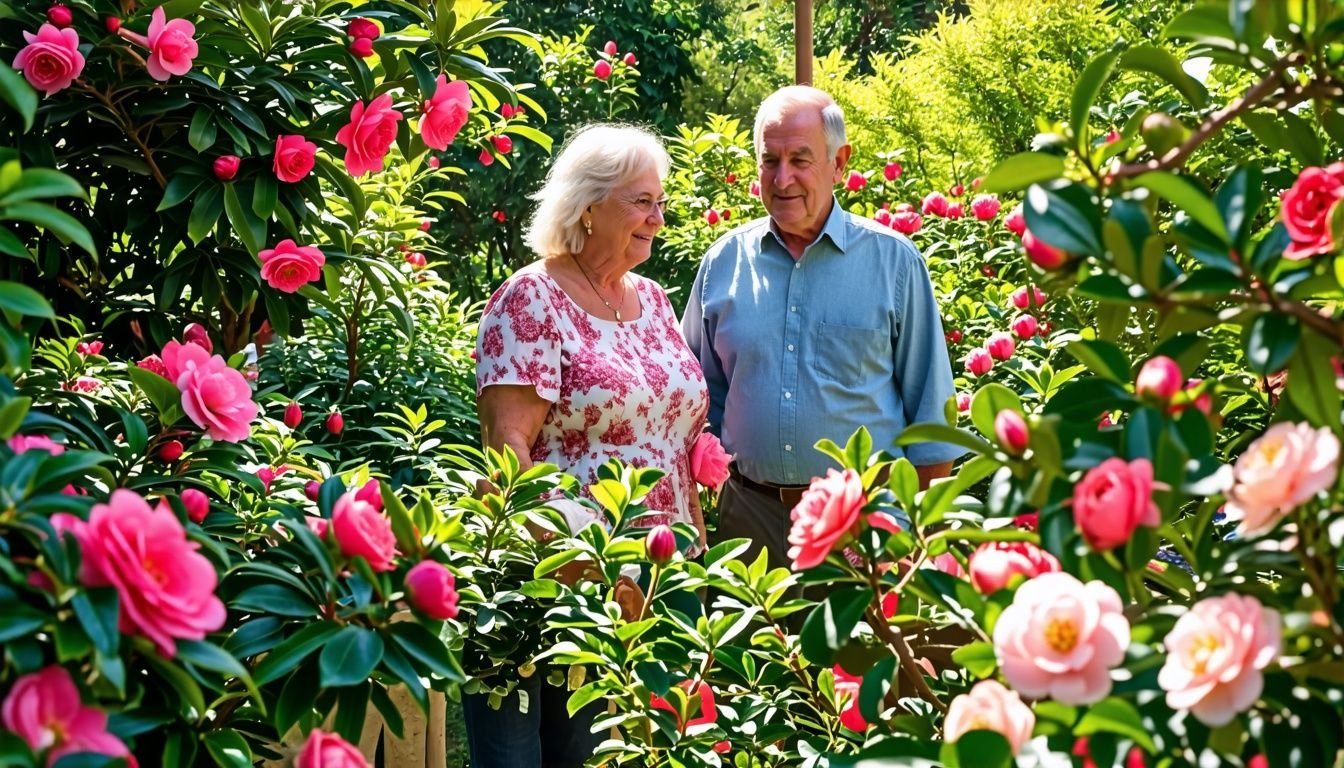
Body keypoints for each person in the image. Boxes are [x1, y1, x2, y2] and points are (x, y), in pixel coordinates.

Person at [472, 123, 709, 768]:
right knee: (586, 752)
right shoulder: (532, 299)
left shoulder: (654, 301)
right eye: (641, 202)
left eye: (660, 203)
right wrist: (586, 563)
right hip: (571, 583)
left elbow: (666, 421)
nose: (658, 219)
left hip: (666, 573)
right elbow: (507, 451)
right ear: (587, 205)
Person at [681, 85, 964, 574]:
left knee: (859, 653)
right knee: (750, 652)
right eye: (770, 160)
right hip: (750, 521)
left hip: (865, 526)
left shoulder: (893, 264)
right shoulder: (724, 263)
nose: (783, 177)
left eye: (800, 159)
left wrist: (919, 538)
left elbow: (931, 419)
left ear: (839, 163)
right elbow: (696, 397)